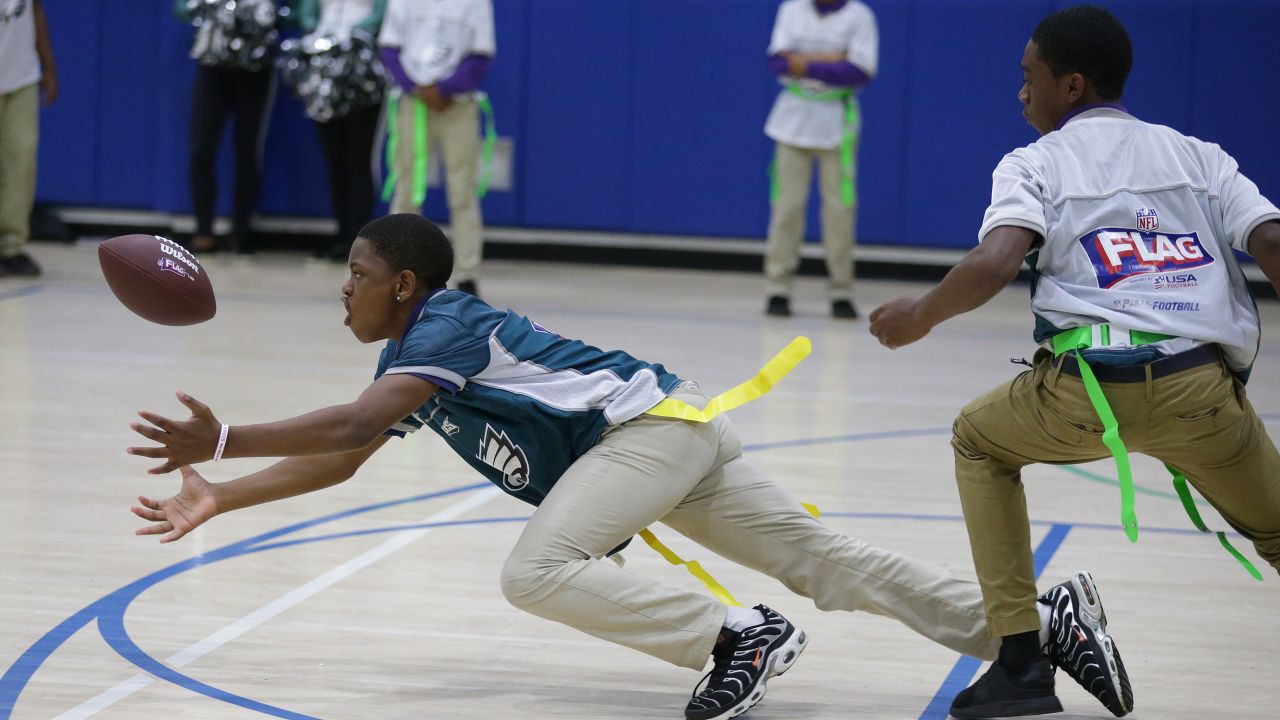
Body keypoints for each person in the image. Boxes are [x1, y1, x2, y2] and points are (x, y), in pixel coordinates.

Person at [128, 213, 1128, 720]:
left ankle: (737, 638)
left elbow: (350, 425)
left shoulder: (447, 323)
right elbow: (345, 457)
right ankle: (1037, 625)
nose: (339, 293)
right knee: (831, 564)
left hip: (643, 437)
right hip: (666, 435)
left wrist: (225, 440)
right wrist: (222, 494)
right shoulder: (411, 355)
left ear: (400, 282)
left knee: (534, 572)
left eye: (351, 277)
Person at [870, 5, 1280, 718]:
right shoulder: (1198, 156)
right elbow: (1273, 245)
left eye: (1029, 78)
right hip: (1199, 390)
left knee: (978, 439)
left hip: (1083, 394)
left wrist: (919, 316)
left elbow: (996, 262)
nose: (1020, 93)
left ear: (1073, 86)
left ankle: (1022, 666)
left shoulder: (1033, 162)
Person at [762, 0, 876, 320]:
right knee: (786, 209)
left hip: (837, 125)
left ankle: (841, 291)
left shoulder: (859, 16)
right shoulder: (792, 9)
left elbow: (859, 70)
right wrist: (831, 60)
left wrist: (804, 63)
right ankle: (777, 288)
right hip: (791, 122)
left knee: (840, 212)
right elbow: (778, 62)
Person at [378, 0, 493, 297]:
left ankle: (467, 274)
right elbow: (390, 49)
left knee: (462, 191)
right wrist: (417, 88)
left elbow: (480, 55)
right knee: (407, 189)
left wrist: (445, 89)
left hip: (458, 106)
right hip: (412, 105)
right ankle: (398, 268)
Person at [176, 0, 280, 255]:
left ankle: (240, 233)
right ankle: (203, 231)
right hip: (213, 63)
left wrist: (268, 14)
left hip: (255, 66)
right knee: (201, 147)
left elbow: (298, 12)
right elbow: (181, 7)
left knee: (247, 149)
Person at [294, 0, 386, 261]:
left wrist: (353, 33)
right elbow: (307, 11)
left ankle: (362, 242)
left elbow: (383, 13)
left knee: (360, 160)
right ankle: (342, 236)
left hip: (363, 71)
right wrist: (320, 34)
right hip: (325, 70)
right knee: (335, 160)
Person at [0, 0, 56, 279]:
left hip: (22, 76)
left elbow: (35, 10)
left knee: (21, 160)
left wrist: (49, 66)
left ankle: (11, 246)